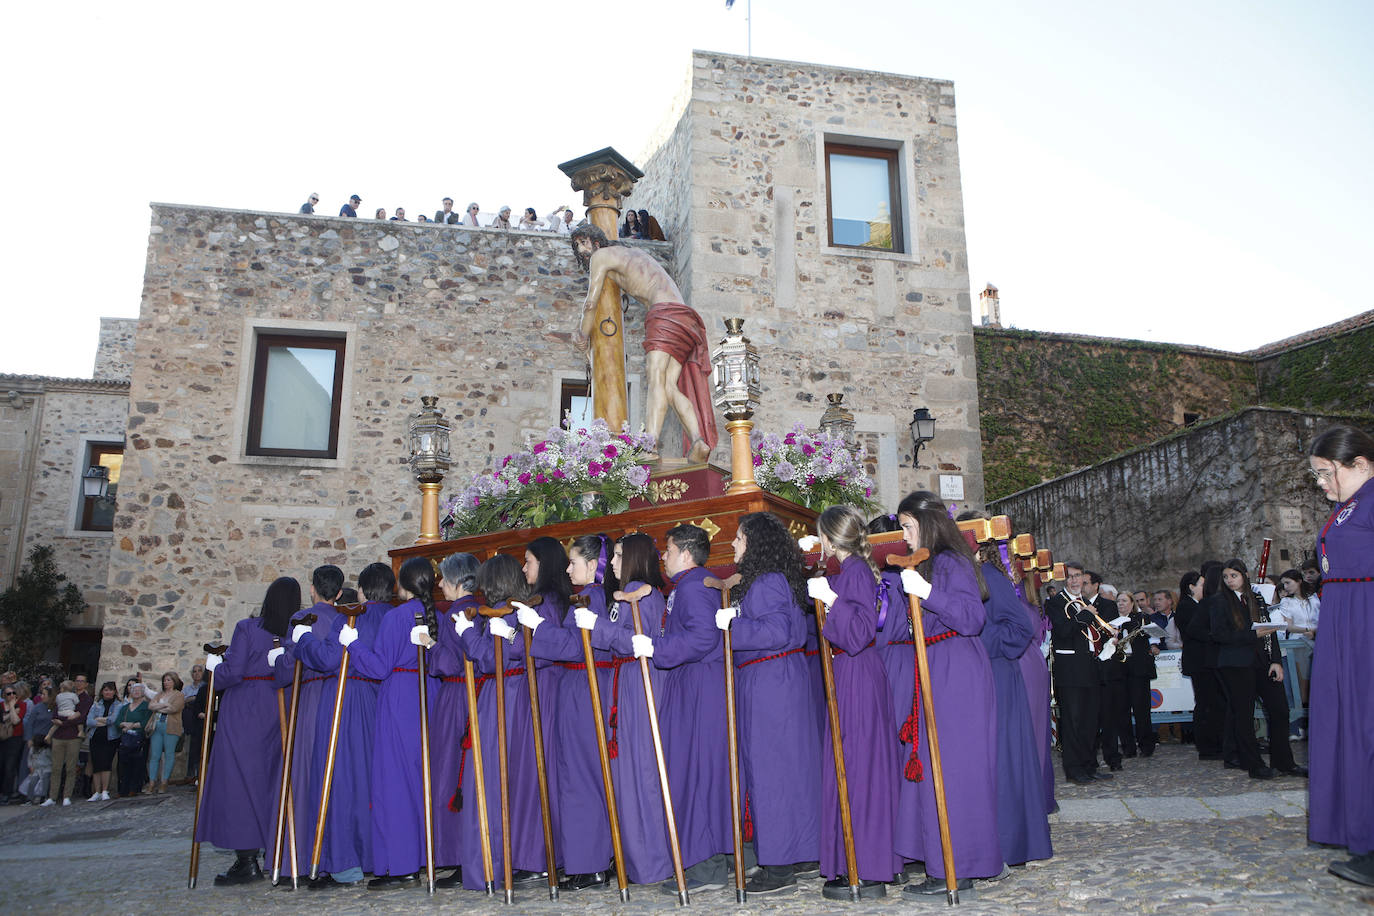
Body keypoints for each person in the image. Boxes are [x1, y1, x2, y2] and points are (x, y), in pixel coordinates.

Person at [890, 495, 1008, 894]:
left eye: (908, 527)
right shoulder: (930, 562)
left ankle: (957, 866)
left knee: (954, 768)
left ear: (927, 523)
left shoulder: (949, 562)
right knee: (936, 763)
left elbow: (972, 618)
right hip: (937, 665)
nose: (903, 536)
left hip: (956, 669)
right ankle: (943, 861)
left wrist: (926, 592)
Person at [716, 512, 822, 894]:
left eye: (740, 539)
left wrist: (732, 625)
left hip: (769, 682)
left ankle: (778, 865)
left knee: (770, 771)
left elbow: (777, 631)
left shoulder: (767, 582)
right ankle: (805, 852)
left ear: (756, 543)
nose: (733, 545)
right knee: (790, 769)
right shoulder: (772, 580)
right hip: (773, 679)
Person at [806, 504, 900, 899]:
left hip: (857, 672)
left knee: (859, 765)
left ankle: (866, 866)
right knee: (852, 762)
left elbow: (860, 632)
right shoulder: (850, 570)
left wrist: (831, 600)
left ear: (829, 538)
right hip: (849, 672)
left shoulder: (855, 572)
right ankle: (854, 860)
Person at [573, 533, 675, 887]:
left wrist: (597, 627)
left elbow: (636, 640)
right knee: (627, 776)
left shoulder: (641, 591)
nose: (612, 563)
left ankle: (651, 862)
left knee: (640, 773)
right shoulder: (629, 590)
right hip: (627, 679)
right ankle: (635, 859)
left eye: (618, 556)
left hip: (639, 679)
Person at [571, 224, 717, 463]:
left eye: (584, 243)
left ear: (596, 242)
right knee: (669, 385)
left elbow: (591, 302)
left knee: (655, 377)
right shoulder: (634, 254)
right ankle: (698, 441)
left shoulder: (602, 256)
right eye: (577, 246)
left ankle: (650, 445)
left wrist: (582, 334)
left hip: (664, 312)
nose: (582, 250)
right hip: (685, 317)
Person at [638, 524, 732, 894]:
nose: (664, 556)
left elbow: (703, 636)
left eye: (669, 549)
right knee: (698, 771)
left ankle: (708, 868)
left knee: (695, 772)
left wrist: (657, 649)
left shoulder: (694, 586)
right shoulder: (691, 585)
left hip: (698, 686)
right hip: (694, 683)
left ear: (686, 554)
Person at [522, 535, 617, 891]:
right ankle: (585, 859)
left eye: (573, 560)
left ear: (593, 565)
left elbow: (578, 647)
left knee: (581, 777)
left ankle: (590, 863)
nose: (566, 568)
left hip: (585, 685)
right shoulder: (586, 596)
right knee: (576, 775)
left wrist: (538, 627)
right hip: (577, 687)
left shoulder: (590, 597)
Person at [290, 562, 392, 890]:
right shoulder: (392, 616)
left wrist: (303, 641)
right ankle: (374, 858)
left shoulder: (349, 618)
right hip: (377, 701)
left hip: (345, 699)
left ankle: (344, 864)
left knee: (339, 781)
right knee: (367, 781)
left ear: (362, 590)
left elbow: (329, 659)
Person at [336, 557, 435, 890]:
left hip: (399, 698)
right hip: (428, 694)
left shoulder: (398, 616)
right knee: (424, 780)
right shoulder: (437, 613)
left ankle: (401, 864)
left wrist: (354, 646)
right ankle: (426, 856)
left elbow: (379, 667)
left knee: (394, 785)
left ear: (402, 585)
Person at [453, 553, 549, 890]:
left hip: (507, 694)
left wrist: (468, 635)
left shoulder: (520, 611)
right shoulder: (510, 611)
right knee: (511, 778)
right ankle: (509, 859)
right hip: (510, 693)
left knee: (496, 777)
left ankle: (498, 862)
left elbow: (492, 657)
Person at [1306, 425, 1374, 886]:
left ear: (1360, 464)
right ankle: (1363, 838)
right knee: (1348, 729)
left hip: (1365, 621)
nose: (1322, 484)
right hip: (1341, 624)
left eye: (1327, 473)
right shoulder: (1348, 507)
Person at [194, 576, 295, 885]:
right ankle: (272, 852)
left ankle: (247, 857)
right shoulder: (292, 632)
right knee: (270, 780)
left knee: (238, 780)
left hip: (244, 708)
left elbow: (233, 672)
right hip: (278, 704)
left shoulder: (247, 628)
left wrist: (214, 668)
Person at [1207, 558, 1302, 780]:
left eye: (1234, 576)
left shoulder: (1257, 598)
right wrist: (1251, 635)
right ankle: (1254, 765)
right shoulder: (1220, 602)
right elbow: (1219, 635)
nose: (1230, 580)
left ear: (1244, 576)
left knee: (1279, 709)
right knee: (1244, 715)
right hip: (1236, 665)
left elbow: (1270, 632)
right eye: (1226, 577)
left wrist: (1276, 661)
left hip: (1263, 662)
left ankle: (1284, 762)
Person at [430, 554, 480, 890]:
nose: (439, 584)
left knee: (452, 773)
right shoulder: (479, 607)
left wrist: (431, 646)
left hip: (456, 696)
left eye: (444, 578)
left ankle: (460, 855)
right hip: (475, 692)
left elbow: (451, 662)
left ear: (458, 581)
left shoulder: (453, 614)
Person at [1047, 563, 1111, 785]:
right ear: (1063, 580)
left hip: (1091, 669)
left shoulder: (1084, 602)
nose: (1075, 582)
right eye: (1070, 577)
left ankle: (1090, 765)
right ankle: (1074, 769)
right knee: (1073, 722)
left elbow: (1090, 635)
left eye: (1078, 577)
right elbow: (1063, 632)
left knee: (1091, 721)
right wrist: (1085, 615)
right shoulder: (1055, 603)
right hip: (1071, 672)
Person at [1114, 592, 1159, 758]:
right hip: (1119, 668)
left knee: (1141, 709)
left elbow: (1154, 636)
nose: (1121, 604)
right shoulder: (1112, 621)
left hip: (1138, 668)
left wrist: (1154, 646)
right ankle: (1128, 747)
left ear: (1132, 603)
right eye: (1118, 601)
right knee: (1121, 709)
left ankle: (1146, 745)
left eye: (1124, 601)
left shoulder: (1142, 619)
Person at [45, 678, 92, 806]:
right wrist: (61, 719)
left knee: (71, 768)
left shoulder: (84, 699)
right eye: (77, 681)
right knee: (56, 767)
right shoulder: (61, 697)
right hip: (59, 736)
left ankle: (67, 796)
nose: (79, 683)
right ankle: (52, 796)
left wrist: (64, 722)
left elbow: (82, 716)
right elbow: (56, 713)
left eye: (81, 681)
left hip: (73, 736)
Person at [145, 671, 185, 794]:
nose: (166, 682)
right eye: (165, 680)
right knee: (154, 755)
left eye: (169, 680)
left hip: (171, 726)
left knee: (169, 754)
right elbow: (151, 706)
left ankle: (164, 781)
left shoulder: (179, 695)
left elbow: (174, 708)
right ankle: (152, 782)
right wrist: (165, 705)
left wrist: (160, 706)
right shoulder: (159, 694)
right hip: (157, 726)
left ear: (174, 681)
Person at [112, 682, 151, 799]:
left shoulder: (146, 707)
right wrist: (124, 724)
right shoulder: (125, 708)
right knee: (123, 766)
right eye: (134, 690)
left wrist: (132, 725)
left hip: (139, 739)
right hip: (126, 739)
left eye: (139, 690)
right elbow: (117, 722)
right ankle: (123, 789)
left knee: (137, 764)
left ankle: (134, 788)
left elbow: (146, 722)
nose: (136, 692)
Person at [85, 682, 122, 801]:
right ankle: (97, 791)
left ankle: (105, 790)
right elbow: (89, 721)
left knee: (106, 763)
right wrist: (102, 721)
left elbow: (113, 720)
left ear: (114, 692)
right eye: (106, 690)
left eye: (110, 690)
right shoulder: (96, 705)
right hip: (96, 737)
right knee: (96, 764)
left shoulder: (118, 705)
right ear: (102, 692)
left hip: (110, 737)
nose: (108, 692)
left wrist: (98, 719)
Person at [1, 684, 29, 803]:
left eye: (13, 693)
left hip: (15, 738)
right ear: (4, 695)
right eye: (9, 694)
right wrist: (10, 713)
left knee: (10, 766)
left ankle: (7, 793)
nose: (12, 695)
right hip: (2, 738)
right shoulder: (1, 705)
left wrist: (12, 707)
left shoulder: (22, 705)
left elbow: (16, 720)